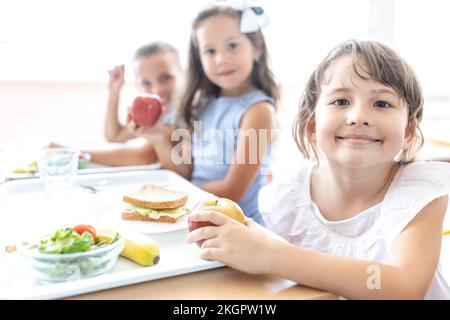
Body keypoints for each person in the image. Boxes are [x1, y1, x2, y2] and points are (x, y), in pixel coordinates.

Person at [186, 39, 450, 299]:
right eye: (340, 102)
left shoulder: (418, 194)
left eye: (382, 103)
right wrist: (246, 243)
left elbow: (402, 287)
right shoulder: (291, 193)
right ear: (312, 126)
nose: (358, 116)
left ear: (408, 131)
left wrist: (271, 254)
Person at [132, 2, 280, 225]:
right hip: (196, 215)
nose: (221, 59)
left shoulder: (258, 111)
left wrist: (171, 194)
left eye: (232, 46)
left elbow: (232, 191)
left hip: (238, 229)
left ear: (256, 47)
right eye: (210, 51)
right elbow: (187, 171)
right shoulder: (203, 104)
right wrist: (157, 137)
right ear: (199, 59)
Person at [51, 42, 183, 166]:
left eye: (166, 78)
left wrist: (70, 152)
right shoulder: (155, 113)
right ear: (137, 85)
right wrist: (114, 91)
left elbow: (144, 155)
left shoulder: (185, 113)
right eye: (146, 83)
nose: (157, 90)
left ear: (182, 73)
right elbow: (114, 136)